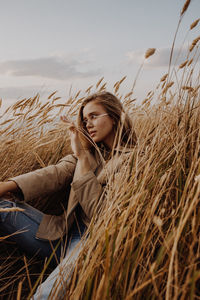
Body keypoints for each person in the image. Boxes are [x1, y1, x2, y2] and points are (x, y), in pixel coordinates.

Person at [0, 91, 137, 299]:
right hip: (60, 235)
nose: (88, 124)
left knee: (47, 294)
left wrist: (81, 157)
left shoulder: (135, 158)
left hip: (92, 242)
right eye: (84, 120)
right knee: (2, 207)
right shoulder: (88, 154)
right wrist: (6, 186)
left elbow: (100, 214)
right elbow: (53, 174)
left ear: (115, 115)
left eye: (94, 116)